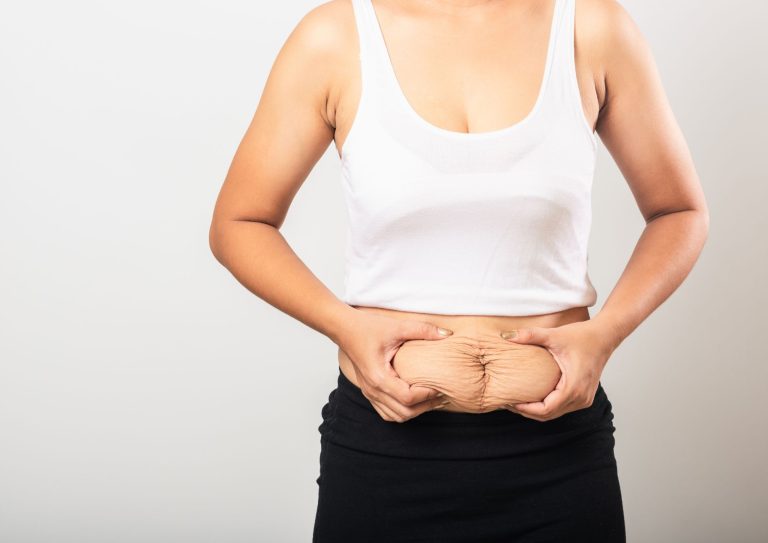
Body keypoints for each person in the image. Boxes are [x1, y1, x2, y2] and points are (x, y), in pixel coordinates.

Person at [208, 0, 709, 541]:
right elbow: (239, 222)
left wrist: (606, 333)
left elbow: (679, 212)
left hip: (560, 457)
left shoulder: (591, 28)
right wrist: (343, 325)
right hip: (384, 453)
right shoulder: (335, 37)